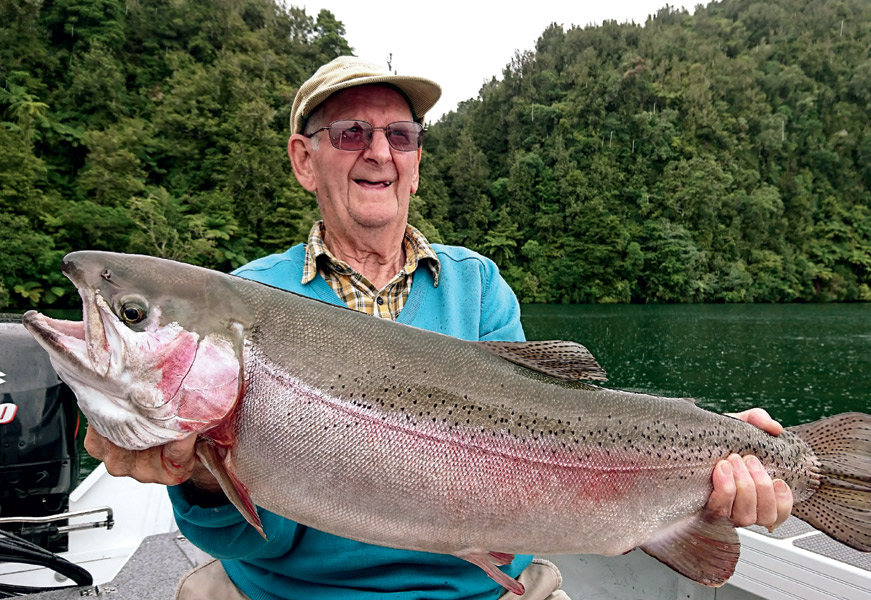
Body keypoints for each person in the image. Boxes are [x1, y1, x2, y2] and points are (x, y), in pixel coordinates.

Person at [85, 56, 794, 600]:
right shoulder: (248, 295)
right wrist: (203, 479)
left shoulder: (477, 285)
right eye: (352, 133)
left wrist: (716, 451)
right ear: (304, 160)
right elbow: (244, 541)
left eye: (400, 135)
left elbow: (564, 428)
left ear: (417, 162)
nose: (379, 152)